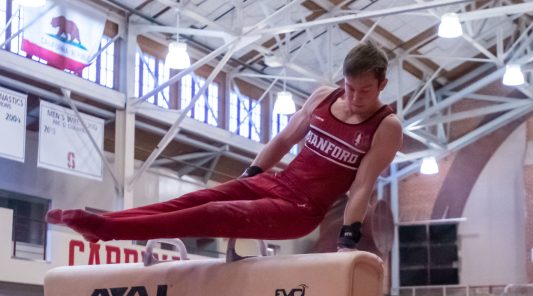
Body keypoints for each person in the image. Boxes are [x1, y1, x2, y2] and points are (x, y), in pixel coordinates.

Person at [46, 41, 403, 249]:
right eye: (349, 87)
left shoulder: (385, 126)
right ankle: (104, 221)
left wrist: (348, 238)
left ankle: (108, 230)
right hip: (277, 183)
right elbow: (282, 140)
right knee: (198, 198)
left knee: (213, 216)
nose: (354, 97)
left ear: (382, 84)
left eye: (365, 91)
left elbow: (362, 186)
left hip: (301, 211)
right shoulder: (324, 97)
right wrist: (249, 178)